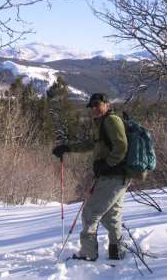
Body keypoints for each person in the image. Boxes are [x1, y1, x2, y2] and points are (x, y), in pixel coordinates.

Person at [52, 93, 130, 261]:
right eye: (91, 106)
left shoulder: (111, 121)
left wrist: (107, 164)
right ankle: (117, 251)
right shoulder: (102, 123)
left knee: (90, 213)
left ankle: (88, 254)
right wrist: (67, 148)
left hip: (113, 176)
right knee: (112, 215)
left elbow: (121, 147)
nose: (94, 109)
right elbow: (91, 144)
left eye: (97, 104)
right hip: (116, 176)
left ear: (106, 104)